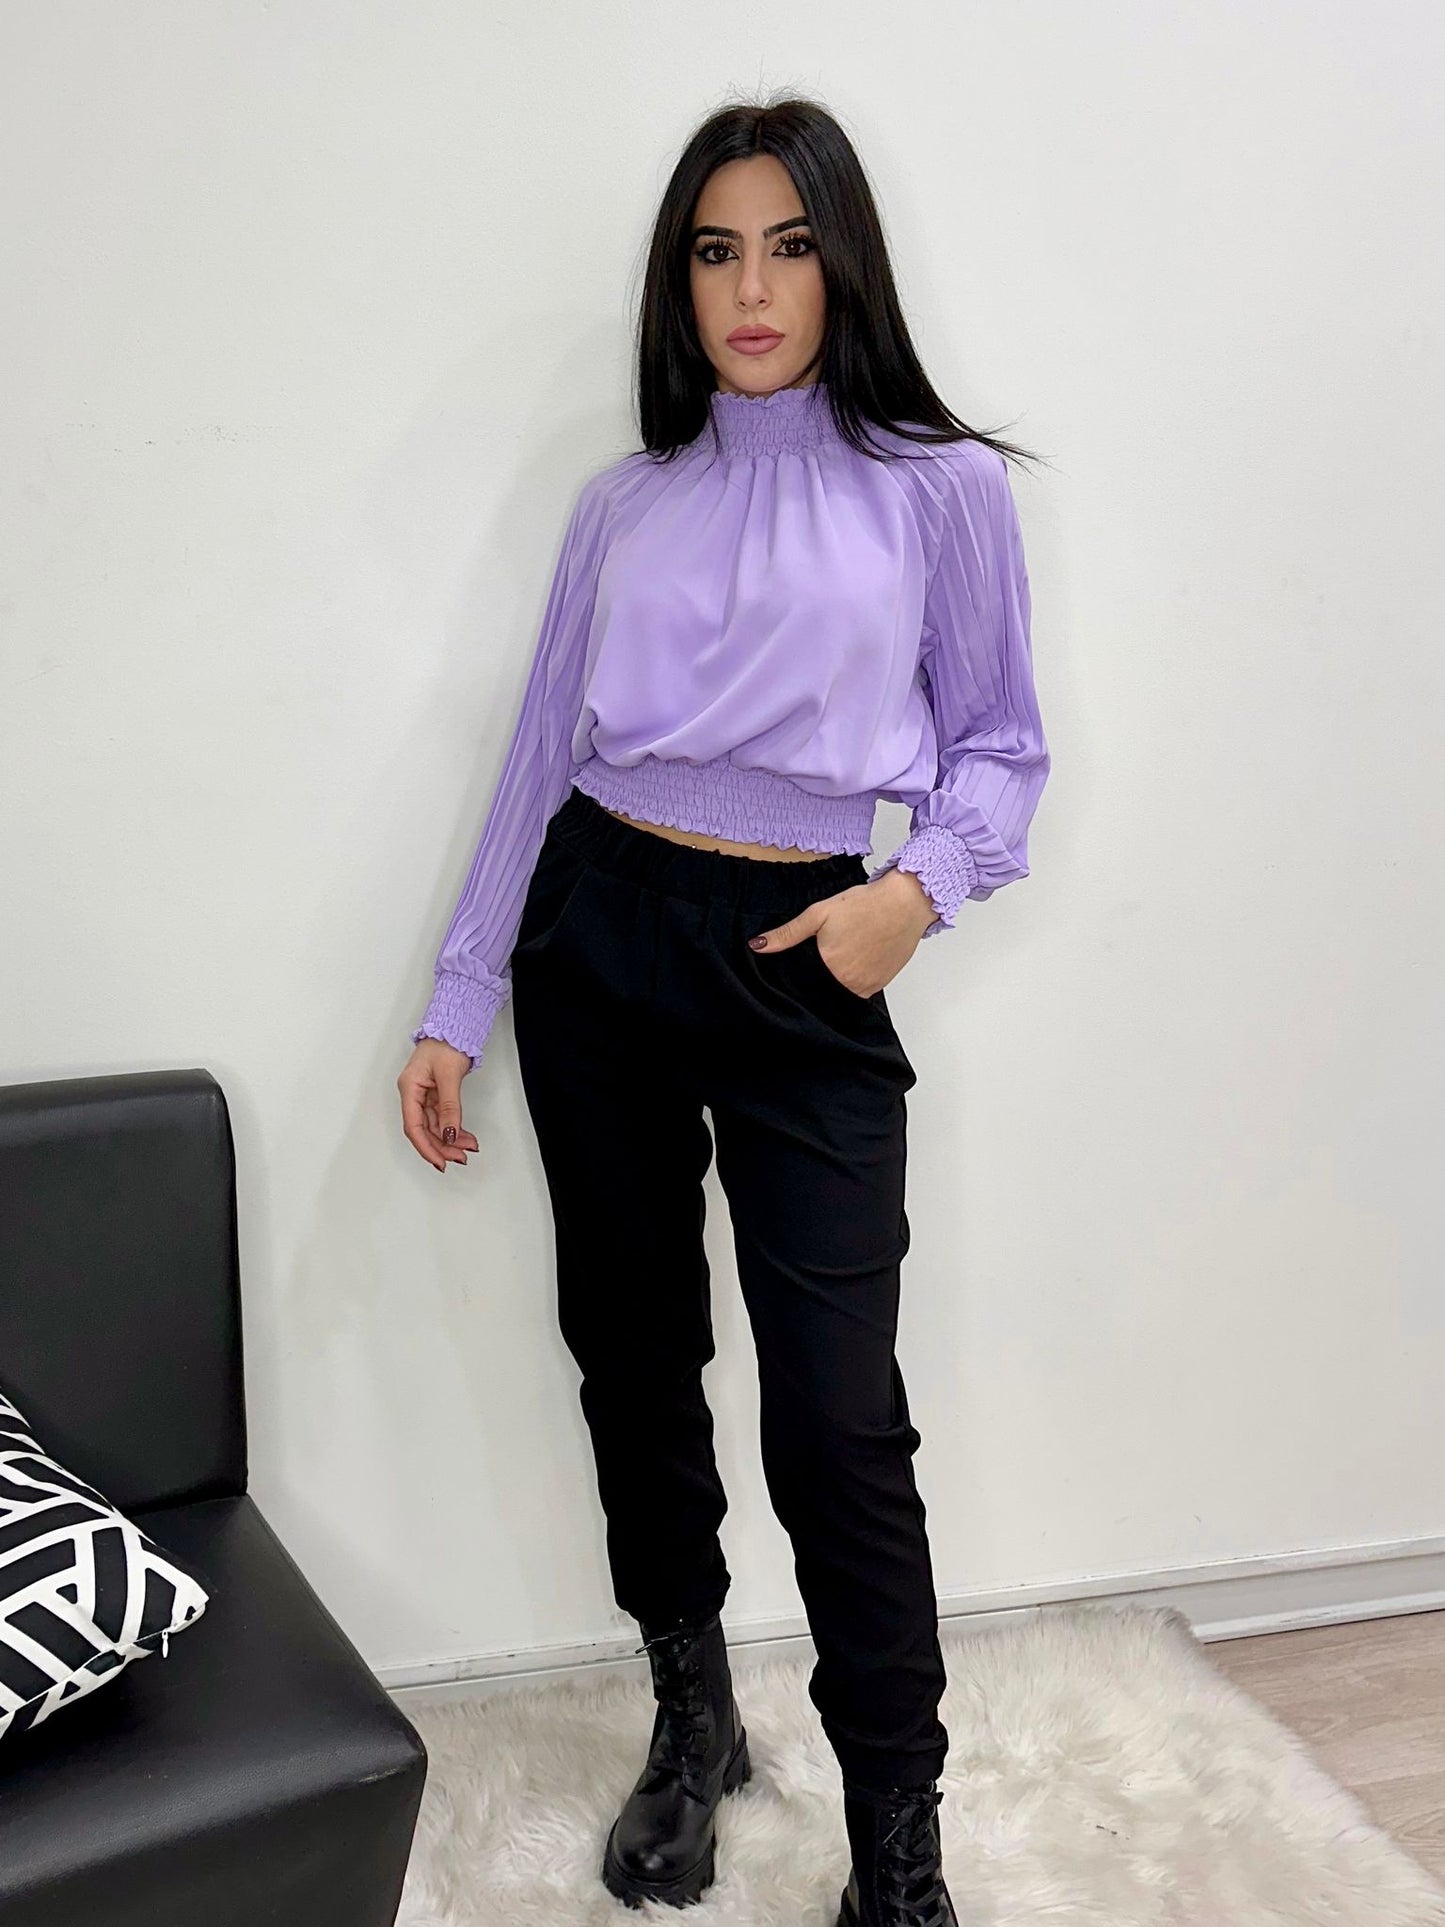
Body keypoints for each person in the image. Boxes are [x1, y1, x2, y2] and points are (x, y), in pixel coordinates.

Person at [397, 94, 1050, 1927]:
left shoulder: (940, 487)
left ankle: (898, 1841)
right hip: (600, 931)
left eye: (787, 246)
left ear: (843, 265)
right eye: (714, 251)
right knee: (632, 1356)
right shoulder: (624, 504)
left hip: (803, 946)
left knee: (839, 1422)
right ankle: (694, 1720)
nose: (751, 289)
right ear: (676, 283)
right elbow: (539, 757)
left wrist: (912, 897)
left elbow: (1002, 746)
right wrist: (459, 993)